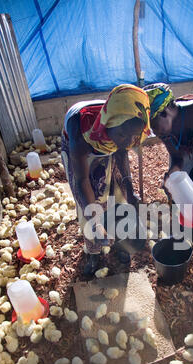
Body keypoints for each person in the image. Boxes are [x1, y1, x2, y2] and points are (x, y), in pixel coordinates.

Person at [61, 84, 151, 275]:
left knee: (119, 194)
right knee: (89, 200)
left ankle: (121, 244)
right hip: (84, 150)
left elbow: (122, 153)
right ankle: (94, 253)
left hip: (108, 141)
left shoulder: (125, 125)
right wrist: (95, 222)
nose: (128, 141)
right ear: (109, 123)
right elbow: (82, 180)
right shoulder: (80, 132)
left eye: (133, 137)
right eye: (123, 135)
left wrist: (130, 188)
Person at [144, 83, 193, 251]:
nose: (155, 133)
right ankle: (180, 228)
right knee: (177, 194)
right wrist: (171, 173)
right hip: (182, 152)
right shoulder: (165, 128)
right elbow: (177, 157)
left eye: (154, 128)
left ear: (165, 113)